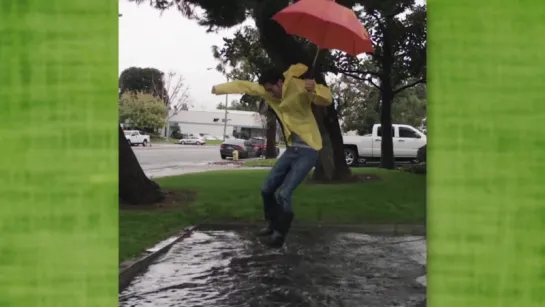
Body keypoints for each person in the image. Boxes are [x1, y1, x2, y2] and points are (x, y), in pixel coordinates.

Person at [211, 63, 332, 247]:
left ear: (280, 82)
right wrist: (219, 89)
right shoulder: (267, 91)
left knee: (284, 192)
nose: (271, 94)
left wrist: (315, 88)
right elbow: (244, 85)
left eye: (272, 90)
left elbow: (327, 98)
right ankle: (272, 224)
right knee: (267, 189)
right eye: (267, 90)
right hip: (293, 150)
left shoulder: (300, 87)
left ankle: (279, 235)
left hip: (308, 150)